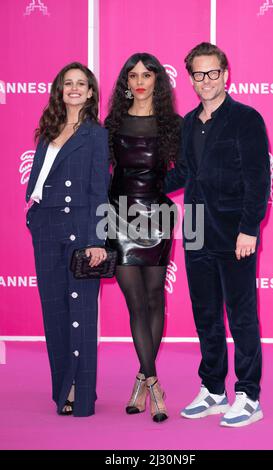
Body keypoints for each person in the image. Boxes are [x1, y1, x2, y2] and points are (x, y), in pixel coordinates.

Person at [164, 42, 270, 427]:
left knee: (241, 316)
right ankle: (212, 390)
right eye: (198, 74)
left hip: (233, 233)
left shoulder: (247, 118)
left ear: (225, 74)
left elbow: (259, 181)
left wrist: (249, 229)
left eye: (213, 73)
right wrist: (139, 184)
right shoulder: (188, 123)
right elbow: (184, 174)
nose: (205, 80)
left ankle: (248, 395)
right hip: (195, 230)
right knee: (206, 314)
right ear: (190, 78)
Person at [25, 62, 110, 417]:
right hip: (45, 225)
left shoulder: (95, 134)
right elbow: (41, 177)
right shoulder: (48, 129)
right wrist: (32, 213)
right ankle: (63, 388)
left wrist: (96, 240)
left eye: (81, 84)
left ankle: (82, 392)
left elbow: (98, 189)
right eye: (68, 83)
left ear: (90, 93)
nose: (74, 88)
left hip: (79, 228)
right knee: (55, 312)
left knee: (82, 313)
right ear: (60, 90)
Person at [105, 53, 181, 422]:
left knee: (154, 297)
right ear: (125, 82)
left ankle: (140, 381)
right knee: (136, 302)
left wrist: (159, 191)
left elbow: (185, 172)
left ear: (157, 81)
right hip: (117, 217)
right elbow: (102, 174)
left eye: (146, 75)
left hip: (157, 217)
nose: (139, 80)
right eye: (132, 75)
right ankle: (154, 382)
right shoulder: (112, 123)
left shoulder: (172, 124)